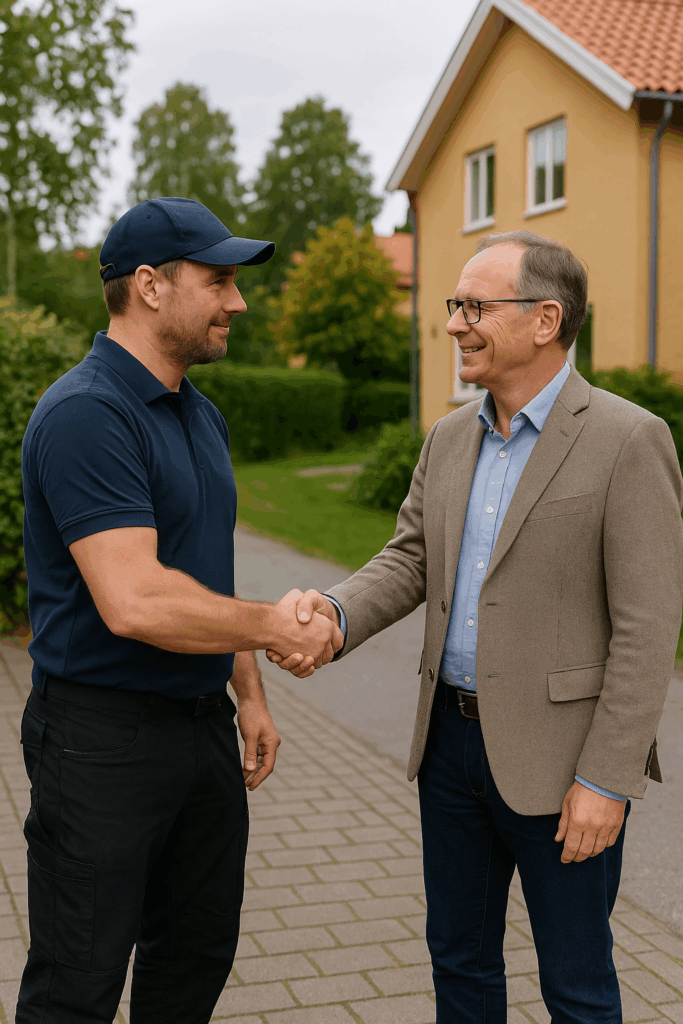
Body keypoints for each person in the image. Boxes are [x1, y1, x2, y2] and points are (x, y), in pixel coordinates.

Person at [268, 230, 683, 1023]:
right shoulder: (448, 437)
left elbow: (645, 630)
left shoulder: (629, 439)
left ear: (543, 319)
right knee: (458, 966)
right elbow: (410, 559)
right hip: (450, 754)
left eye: (473, 306)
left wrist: (605, 780)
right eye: (454, 305)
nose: (454, 323)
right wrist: (334, 613)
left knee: (578, 985)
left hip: (564, 765)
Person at [17, 197, 343, 1024]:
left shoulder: (201, 414)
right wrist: (273, 627)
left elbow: (203, 572)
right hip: (100, 743)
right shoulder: (87, 413)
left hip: (199, 734)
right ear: (151, 286)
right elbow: (135, 600)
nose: (238, 302)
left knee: (192, 961)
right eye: (220, 280)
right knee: (77, 982)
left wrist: (250, 695)